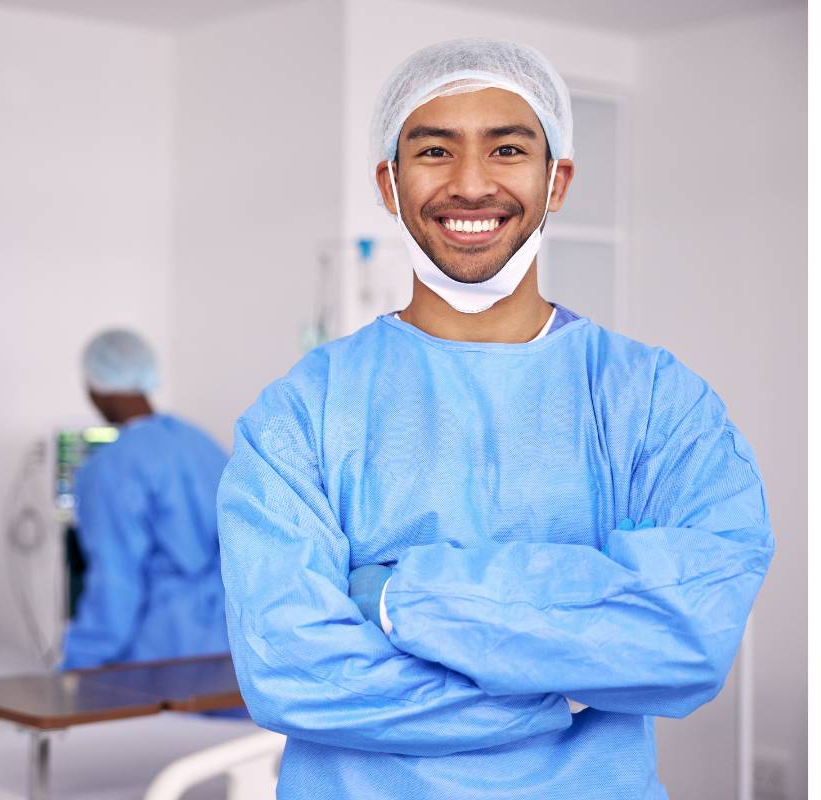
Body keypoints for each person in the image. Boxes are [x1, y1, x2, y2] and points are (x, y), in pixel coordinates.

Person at [217, 38, 773, 799]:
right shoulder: (302, 412)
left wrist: (393, 596)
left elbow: (688, 635)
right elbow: (291, 670)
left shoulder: (654, 403)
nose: (471, 185)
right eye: (434, 150)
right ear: (389, 181)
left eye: (507, 148)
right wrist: (562, 689)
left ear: (558, 179)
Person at [60, 329, 231, 670]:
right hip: (232, 644)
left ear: (95, 389)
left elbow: (115, 587)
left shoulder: (110, 469)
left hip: (165, 655)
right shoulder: (200, 443)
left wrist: (74, 667)